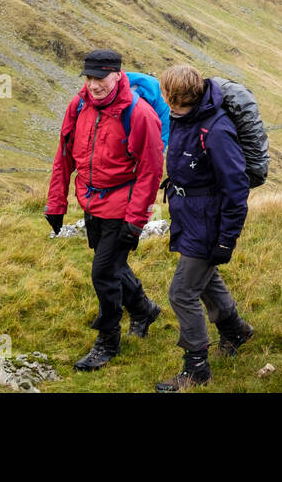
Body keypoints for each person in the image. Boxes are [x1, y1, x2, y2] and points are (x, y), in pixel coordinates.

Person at [46, 49, 165, 371]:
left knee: (103, 273)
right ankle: (144, 310)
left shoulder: (139, 115)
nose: (94, 85)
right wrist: (56, 203)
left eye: (100, 78)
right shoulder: (79, 105)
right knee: (113, 266)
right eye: (89, 78)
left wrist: (135, 220)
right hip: (91, 201)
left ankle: (107, 341)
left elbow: (150, 171)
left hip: (122, 207)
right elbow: (64, 156)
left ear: (117, 75)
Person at [154, 64, 254, 392]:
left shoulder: (217, 129)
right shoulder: (185, 116)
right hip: (190, 216)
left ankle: (196, 368)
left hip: (208, 223)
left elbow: (236, 187)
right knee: (206, 279)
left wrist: (227, 239)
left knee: (182, 292)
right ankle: (236, 331)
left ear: (172, 95)